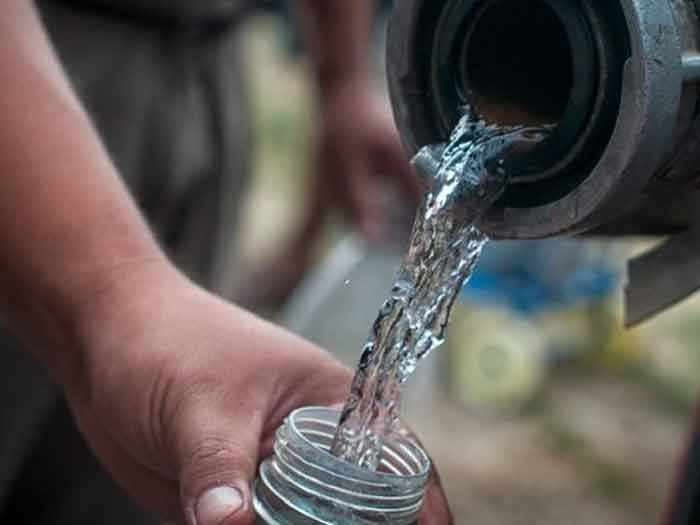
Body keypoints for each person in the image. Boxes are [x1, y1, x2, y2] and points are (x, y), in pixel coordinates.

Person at [0, 2, 450, 524]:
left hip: (214, 57)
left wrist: (344, 77)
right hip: (42, 63)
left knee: (137, 476)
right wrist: (123, 299)